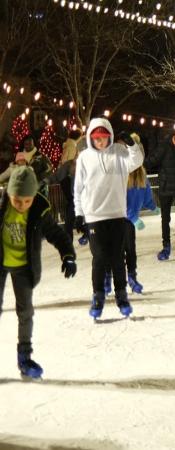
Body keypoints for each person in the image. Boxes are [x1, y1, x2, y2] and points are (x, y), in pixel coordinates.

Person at [0, 166, 76, 379]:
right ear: (9, 193)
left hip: (24, 266)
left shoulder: (39, 210)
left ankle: (24, 357)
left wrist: (68, 254)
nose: (22, 205)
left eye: (27, 201)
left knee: (25, 312)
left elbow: (56, 234)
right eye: (17, 200)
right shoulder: (1, 203)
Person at [74, 118, 144, 320]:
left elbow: (136, 161)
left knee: (117, 259)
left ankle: (122, 296)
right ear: (90, 138)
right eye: (96, 138)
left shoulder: (119, 152)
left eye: (104, 138)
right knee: (99, 258)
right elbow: (78, 189)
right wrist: (80, 214)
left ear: (109, 136)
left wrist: (131, 144)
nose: (100, 142)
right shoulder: (85, 157)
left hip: (116, 214)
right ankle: (98, 296)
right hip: (95, 216)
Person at [143, 123, 175, 261]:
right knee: (165, 219)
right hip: (166, 188)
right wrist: (140, 165)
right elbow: (150, 162)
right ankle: (166, 247)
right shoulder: (165, 146)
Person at [123, 144, 157, 295]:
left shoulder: (142, 175)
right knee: (116, 251)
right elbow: (119, 201)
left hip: (130, 220)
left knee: (131, 250)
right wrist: (133, 217)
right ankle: (108, 277)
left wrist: (152, 207)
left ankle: (132, 276)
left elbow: (147, 193)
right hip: (118, 218)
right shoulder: (122, 175)